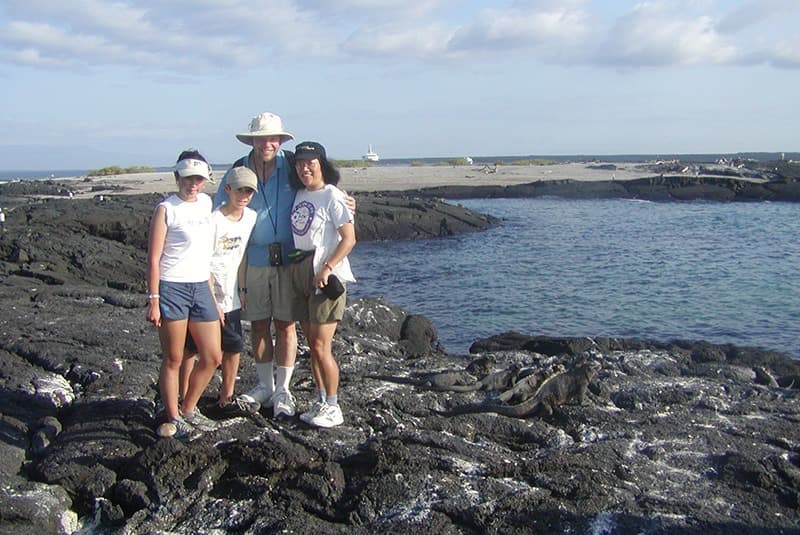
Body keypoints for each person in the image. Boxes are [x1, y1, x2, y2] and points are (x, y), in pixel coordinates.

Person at [147, 149, 222, 441]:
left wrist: (213, 294)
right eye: (189, 178)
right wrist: (153, 300)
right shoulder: (167, 209)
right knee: (175, 358)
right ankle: (173, 417)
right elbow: (154, 259)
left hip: (201, 286)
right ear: (177, 177)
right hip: (172, 287)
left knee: (212, 356)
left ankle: (189, 408)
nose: (194, 184)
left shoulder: (206, 203)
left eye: (199, 179)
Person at [181, 166, 260, 416]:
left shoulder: (251, 217)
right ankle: (182, 400)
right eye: (239, 190)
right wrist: (212, 299)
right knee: (192, 350)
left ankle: (226, 398)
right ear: (227, 189)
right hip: (206, 294)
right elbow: (203, 261)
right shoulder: (213, 220)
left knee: (234, 346)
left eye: (249, 191)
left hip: (232, 295)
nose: (244, 195)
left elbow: (242, 254)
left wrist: (243, 288)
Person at [288, 141, 356, 428]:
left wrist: (327, 268)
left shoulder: (332, 196)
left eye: (311, 162)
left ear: (321, 164)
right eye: (300, 163)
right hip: (302, 274)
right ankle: (319, 399)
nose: (305, 168)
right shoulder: (300, 193)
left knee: (321, 344)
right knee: (312, 346)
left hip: (326, 278)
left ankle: (333, 404)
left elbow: (349, 239)